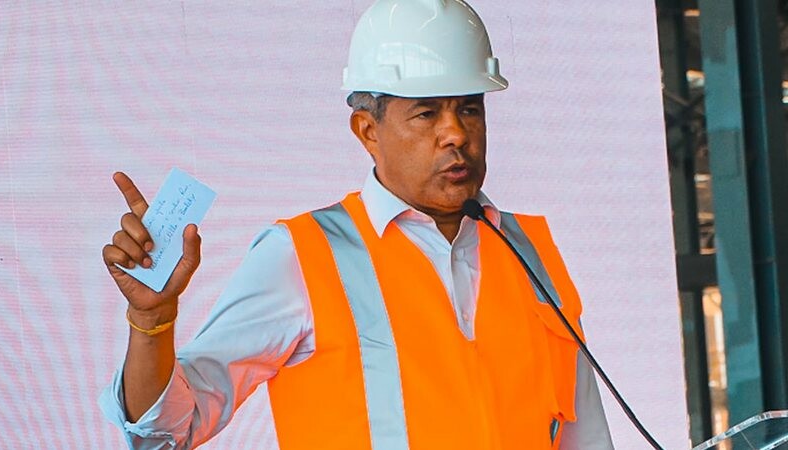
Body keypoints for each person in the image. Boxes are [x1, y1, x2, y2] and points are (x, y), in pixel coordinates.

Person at [100, 0, 614, 448]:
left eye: (469, 109)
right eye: (427, 113)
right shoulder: (300, 257)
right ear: (368, 130)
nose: (456, 133)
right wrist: (151, 321)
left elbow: (585, 436)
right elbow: (166, 434)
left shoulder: (529, 250)